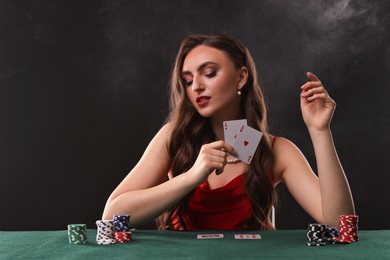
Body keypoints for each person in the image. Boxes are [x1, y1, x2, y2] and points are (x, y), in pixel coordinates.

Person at [102, 33, 355, 230]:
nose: (197, 87)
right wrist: (192, 177)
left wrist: (320, 130)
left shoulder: (276, 150)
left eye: (209, 73)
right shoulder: (175, 138)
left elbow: (339, 222)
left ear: (241, 78)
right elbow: (112, 216)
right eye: (188, 80)